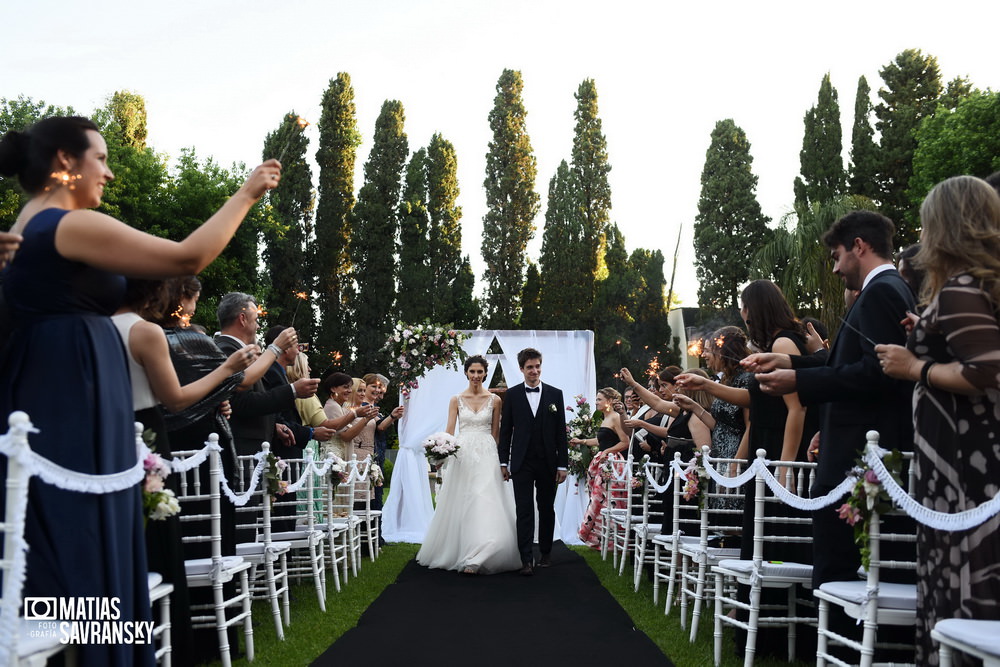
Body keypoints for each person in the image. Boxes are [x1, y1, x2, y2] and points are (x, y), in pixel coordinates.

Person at [0, 116, 279, 666]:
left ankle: (82, 648)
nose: (105, 171)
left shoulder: (29, 226)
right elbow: (186, 258)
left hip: (62, 379)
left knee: (70, 523)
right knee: (79, 522)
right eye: (99, 158)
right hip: (69, 388)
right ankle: (95, 653)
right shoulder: (65, 224)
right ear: (64, 163)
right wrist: (246, 193)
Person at [748, 211, 916, 590]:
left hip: (856, 457)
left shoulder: (883, 291)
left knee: (839, 571)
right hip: (848, 447)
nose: (837, 269)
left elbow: (876, 372)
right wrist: (791, 361)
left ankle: (840, 647)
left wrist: (799, 380)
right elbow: (850, 362)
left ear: (859, 246)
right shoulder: (884, 290)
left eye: (838, 256)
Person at [876, 176, 1000, 666]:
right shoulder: (972, 288)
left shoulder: (961, 289)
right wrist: (925, 333)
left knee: (964, 565)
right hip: (960, 452)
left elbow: (988, 368)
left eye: (928, 226)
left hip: (962, 460)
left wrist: (915, 367)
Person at [417, 355, 521, 574]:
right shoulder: (456, 399)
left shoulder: (495, 400)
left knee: (484, 498)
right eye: (472, 372)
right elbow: (450, 429)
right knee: (463, 499)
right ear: (466, 373)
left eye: (480, 372)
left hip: (486, 452)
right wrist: (441, 451)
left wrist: (499, 459)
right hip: (462, 452)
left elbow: (496, 433)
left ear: (485, 373)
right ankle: (463, 549)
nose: (476, 376)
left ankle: (483, 552)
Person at [214, 292, 318, 457]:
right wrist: (293, 390)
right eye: (256, 320)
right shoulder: (226, 350)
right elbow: (241, 403)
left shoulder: (238, 351)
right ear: (242, 319)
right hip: (243, 450)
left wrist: (275, 425)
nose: (259, 327)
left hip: (255, 448)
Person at [498, 348, 570, 575]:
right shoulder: (512, 395)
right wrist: (503, 462)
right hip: (521, 462)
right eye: (529, 367)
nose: (534, 371)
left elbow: (560, 432)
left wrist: (562, 464)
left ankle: (546, 553)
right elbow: (506, 431)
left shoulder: (555, 394)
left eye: (537, 366)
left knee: (546, 508)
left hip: (548, 462)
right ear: (521, 369)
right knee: (525, 509)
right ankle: (526, 559)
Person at [573, 387, 629, 548]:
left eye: (599, 399)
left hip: (612, 463)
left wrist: (608, 452)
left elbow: (625, 442)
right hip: (603, 461)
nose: (596, 402)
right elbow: (600, 441)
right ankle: (599, 538)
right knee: (598, 500)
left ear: (609, 401)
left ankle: (612, 541)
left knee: (606, 501)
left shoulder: (616, 418)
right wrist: (581, 441)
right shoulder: (605, 418)